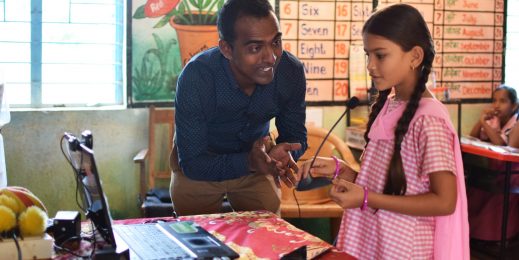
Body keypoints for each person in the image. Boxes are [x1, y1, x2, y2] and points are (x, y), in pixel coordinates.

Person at [297, 4, 469, 259]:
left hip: (402, 248)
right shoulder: (390, 104)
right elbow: (385, 185)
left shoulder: (429, 120)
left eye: (380, 55)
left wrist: (366, 197)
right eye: (368, 55)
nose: (370, 65)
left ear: (415, 57)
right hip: (374, 239)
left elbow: (444, 202)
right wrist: (342, 171)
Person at [170, 0, 307, 216]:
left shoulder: (290, 71)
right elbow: (192, 163)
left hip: (259, 163)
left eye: (276, 42)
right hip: (201, 166)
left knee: (268, 239)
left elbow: (296, 135)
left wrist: (282, 154)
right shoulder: (197, 76)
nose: (271, 57)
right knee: (196, 243)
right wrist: (248, 162)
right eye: (255, 47)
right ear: (226, 49)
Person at [467, 85, 519, 242]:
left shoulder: (516, 122)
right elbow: (472, 136)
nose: (497, 105)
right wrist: (481, 121)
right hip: (495, 168)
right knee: (473, 184)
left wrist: (484, 122)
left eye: (502, 101)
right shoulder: (493, 119)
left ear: (514, 106)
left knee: (493, 190)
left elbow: (505, 146)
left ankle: (492, 236)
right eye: (494, 101)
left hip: (512, 171)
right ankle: (473, 234)